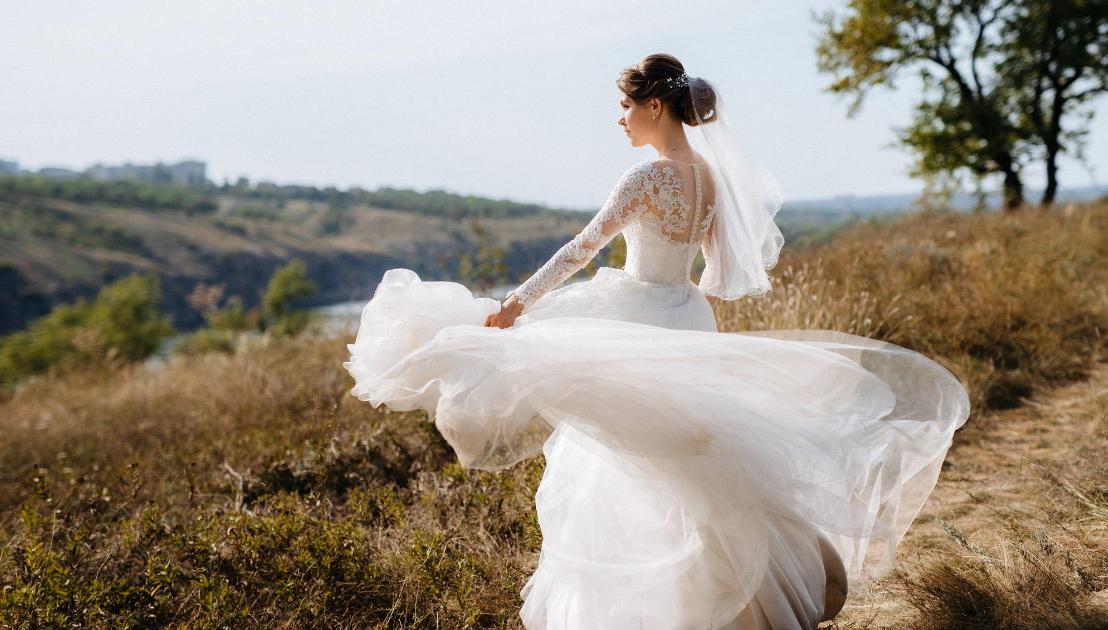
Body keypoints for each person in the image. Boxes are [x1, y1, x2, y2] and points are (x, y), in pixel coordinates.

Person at [344, 54, 969, 630]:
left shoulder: (646, 176)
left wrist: (515, 304)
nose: (620, 120)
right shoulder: (710, 178)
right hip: (688, 316)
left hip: (639, 317)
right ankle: (746, 596)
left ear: (654, 107)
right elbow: (717, 271)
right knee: (700, 462)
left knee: (622, 470)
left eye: (625, 108)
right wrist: (694, 315)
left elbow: (582, 249)